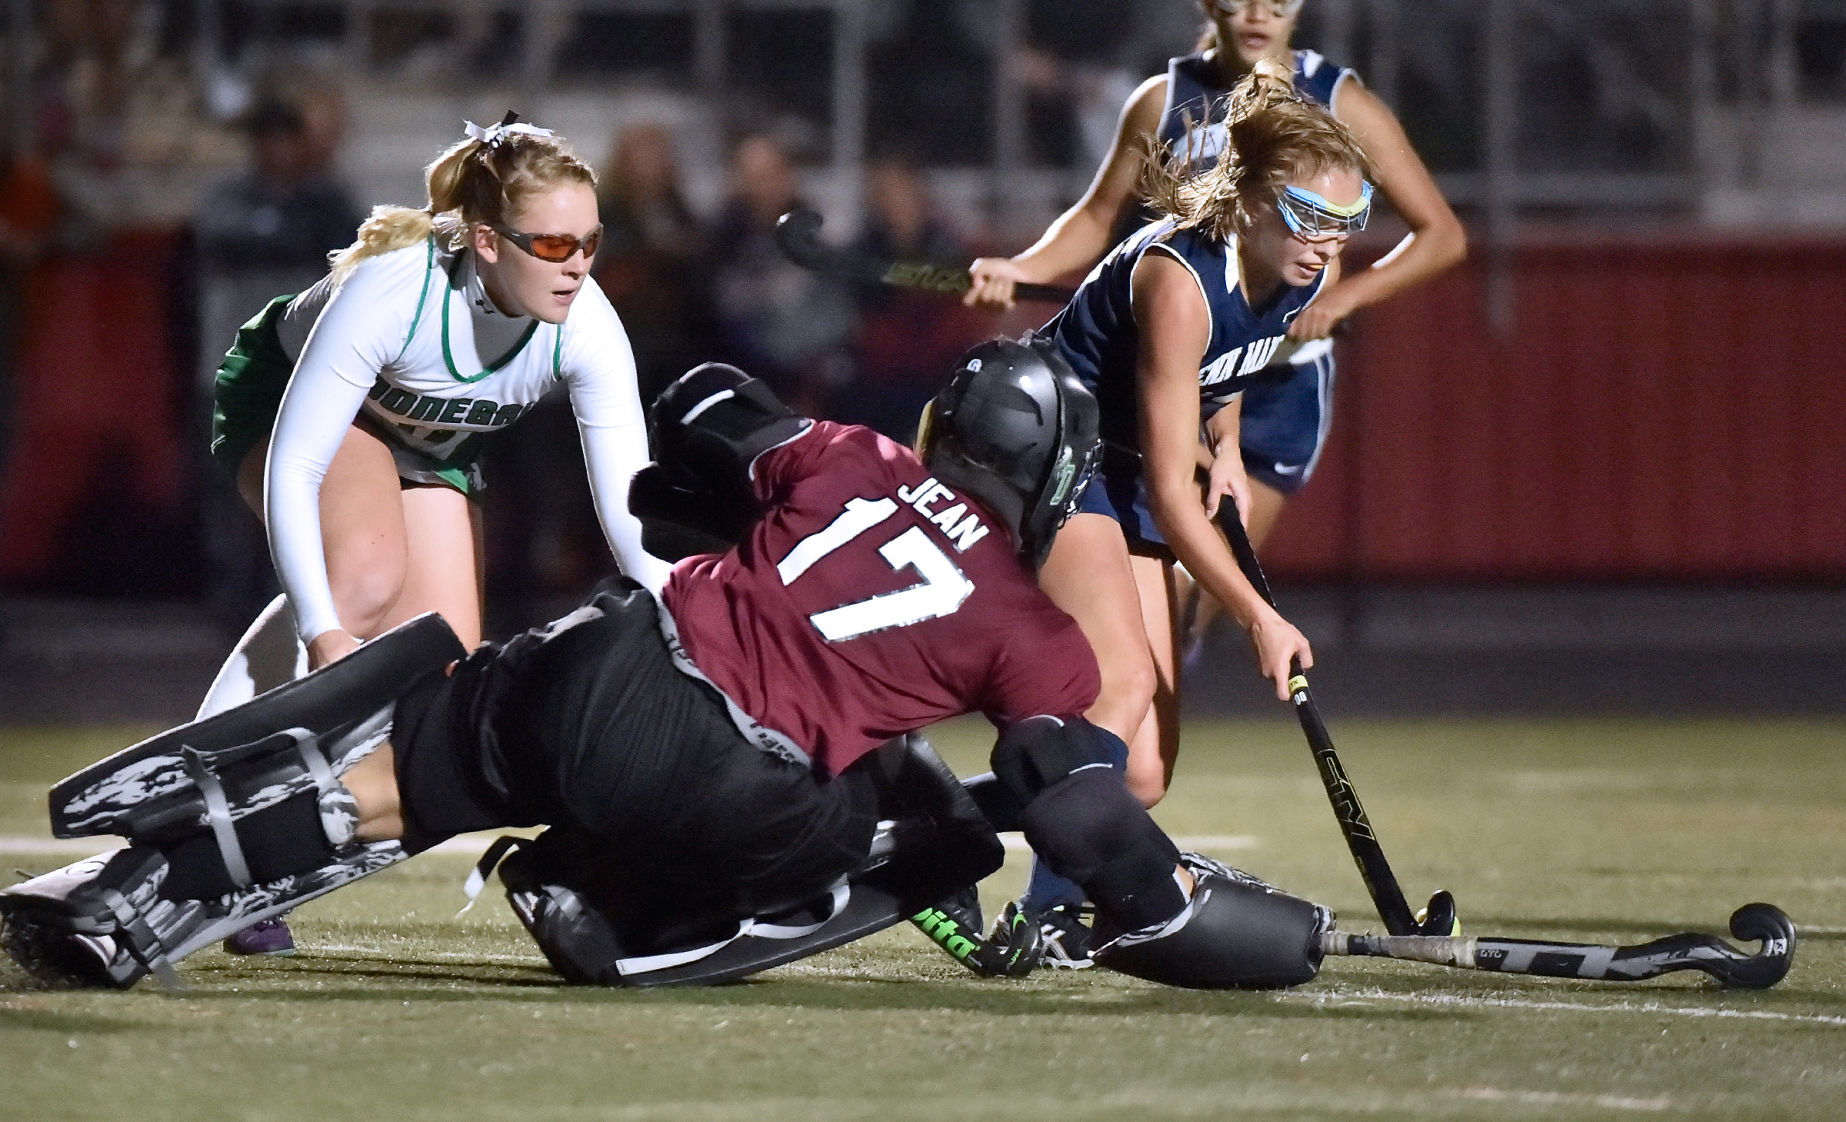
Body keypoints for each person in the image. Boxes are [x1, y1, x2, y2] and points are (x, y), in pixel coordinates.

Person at [1, 350, 1333, 995]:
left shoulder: (853, 457)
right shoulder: (1037, 633)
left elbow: (699, 406)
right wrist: (1191, 910)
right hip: (733, 786)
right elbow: (1079, 812)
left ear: (944, 429)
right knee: (936, 830)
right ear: (1046, 481)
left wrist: (715, 517)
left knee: (387, 790)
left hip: (612, 664)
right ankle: (628, 919)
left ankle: (140, 887)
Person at [194, 113, 670, 955]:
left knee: (443, 658)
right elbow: (297, 470)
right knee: (366, 582)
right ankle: (207, 787)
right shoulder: (397, 289)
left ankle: (278, 852)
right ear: (487, 242)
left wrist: (695, 612)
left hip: (425, 441)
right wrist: (321, 629)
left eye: (591, 242)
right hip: (289, 404)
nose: (579, 267)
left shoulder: (588, 324)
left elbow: (628, 513)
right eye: (553, 245)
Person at [990, 64, 1373, 967]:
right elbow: (1170, 490)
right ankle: (1041, 917)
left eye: (1347, 225)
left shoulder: (1296, 273)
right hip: (1053, 452)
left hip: (1121, 466)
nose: (1327, 247)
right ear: (1252, 199)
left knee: (1145, 771)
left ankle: (937, 819)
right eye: (1313, 219)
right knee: (1117, 694)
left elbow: (1225, 374)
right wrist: (1262, 618)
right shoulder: (1177, 280)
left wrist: (1230, 448)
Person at [966, 0, 1465, 553]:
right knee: (1165, 557)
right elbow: (1097, 216)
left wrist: (1338, 300)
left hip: (1275, 380)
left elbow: (1442, 233)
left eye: (1276, 2)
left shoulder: (1340, 100)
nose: (1257, 15)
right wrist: (1021, 267)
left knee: (1207, 576)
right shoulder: (1162, 99)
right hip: (1179, 358)